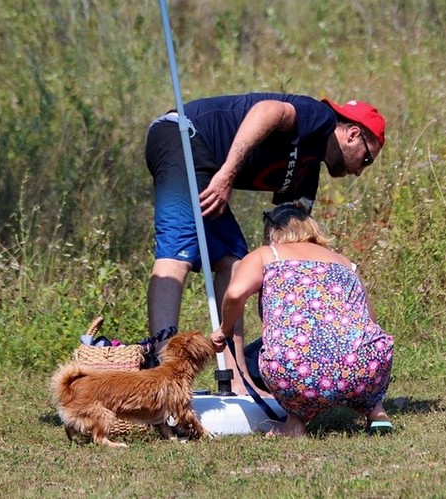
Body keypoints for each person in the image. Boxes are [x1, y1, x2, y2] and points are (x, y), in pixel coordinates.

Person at [145, 93, 385, 395]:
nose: (359, 171)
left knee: (233, 261)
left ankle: (236, 380)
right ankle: (160, 378)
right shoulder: (319, 119)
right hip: (182, 136)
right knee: (177, 252)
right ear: (353, 134)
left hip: (204, 163)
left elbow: (289, 248)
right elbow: (266, 110)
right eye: (366, 159)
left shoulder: (306, 176)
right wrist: (227, 174)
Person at [210, 199, 394, 437]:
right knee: (368, 343)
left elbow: (235, 293)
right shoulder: (344, 262)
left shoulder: (268, 254)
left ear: (272, 234)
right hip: (363, 366)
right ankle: (376, 413)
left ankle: (295, 422)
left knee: (290, 349)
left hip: (297, 367)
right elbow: (369, 321)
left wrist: (225, 330)